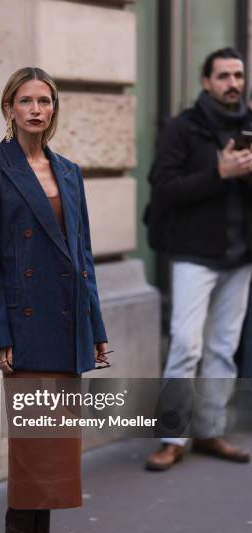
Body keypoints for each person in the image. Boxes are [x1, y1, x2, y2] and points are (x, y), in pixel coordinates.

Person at [0, 67, 109, 533]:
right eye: (25, 100)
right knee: (32, 439)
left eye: (44, 101)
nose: (35, 110)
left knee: (55, 437)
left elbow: (83, 255)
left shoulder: (68, 171)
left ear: (53, 109)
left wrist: (97, 327)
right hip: (23, 323)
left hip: (67, 320)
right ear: (9, 108)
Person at [145, 47, 252, 471]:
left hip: (241, 256)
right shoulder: (183, 128)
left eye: (238, 75)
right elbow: (164, 188)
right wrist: (218, 174)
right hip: (194, 254)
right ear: (206, 82)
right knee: (186, 345)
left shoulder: (249, 124)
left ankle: (210, 431)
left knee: (224, 349)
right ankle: (172, 437)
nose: (233, 83)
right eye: (223, 76)